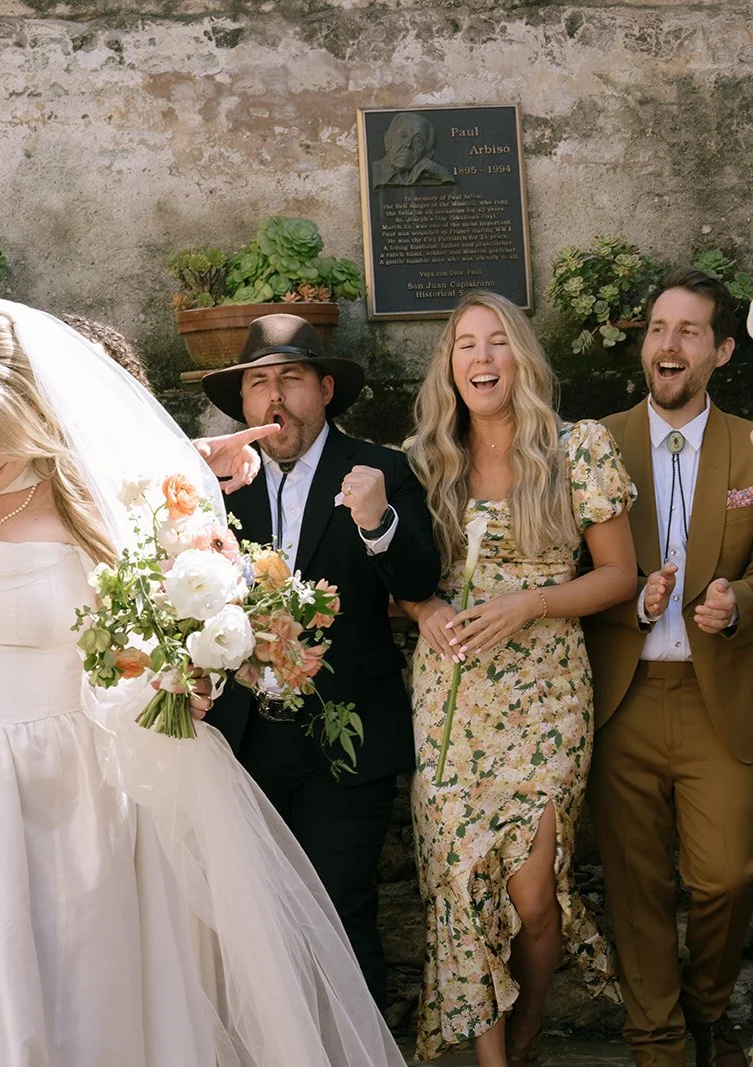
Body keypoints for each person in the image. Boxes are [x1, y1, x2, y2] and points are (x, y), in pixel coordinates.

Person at [0, 300, 405, 1066]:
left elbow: (162, 589)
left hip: (68, 783)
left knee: (72, 1004)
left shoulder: (92, 492)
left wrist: (184, 670)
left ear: (36, 414)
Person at [402, 291, 636, 1065]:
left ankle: (529, 1025)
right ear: (450, 367)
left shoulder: (578, 448)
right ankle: (496, 1060)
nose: (480, 357)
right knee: (460, 886)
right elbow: (389, 568)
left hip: (545, 693)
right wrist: (425, 604)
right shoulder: (423, 461)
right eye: (465, 344)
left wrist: (530, 602)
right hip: (452, 698)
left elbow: (618, 578)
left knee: (534, 894)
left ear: (520, 358)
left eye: (496, 341)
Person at [201, 313, 441, 1006]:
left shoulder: (381, 471)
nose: (275, 397)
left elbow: (420, 582)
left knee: (341, 913)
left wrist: (378, 523)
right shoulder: (219, 483)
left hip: (348, 742)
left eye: (292, 379)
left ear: (326, 388)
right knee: (249, 923)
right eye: (258, 383)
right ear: (243, 402)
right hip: (240, 740)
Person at [583, 269, 753, 1067]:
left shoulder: (751, 446)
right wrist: (634, 603)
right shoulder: (595, 444)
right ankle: (655, 1037)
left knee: (726, 876)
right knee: (635, 882)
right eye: (657, 328)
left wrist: (741, 598)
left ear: (720, 350)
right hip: (623, 694)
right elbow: (556, 564)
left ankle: (707, 1008)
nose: (668, 344)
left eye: (688, 331)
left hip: (718, 694)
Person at [370, 112, 455, 188]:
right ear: (387, 141)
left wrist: (445, 175)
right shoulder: (368, 174)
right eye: (403, 136)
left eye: (418, 141)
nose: (408, 144)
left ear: (428, 154)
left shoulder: (432, 180)